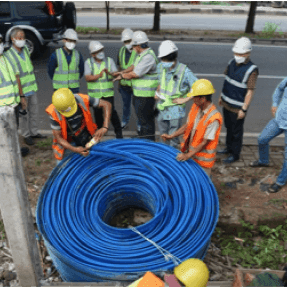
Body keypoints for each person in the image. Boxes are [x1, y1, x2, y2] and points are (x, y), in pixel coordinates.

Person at [161, 79, 222, 178]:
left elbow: (204, 142)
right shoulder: (196, 107)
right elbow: (188, 125)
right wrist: (171, 135)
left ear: (202, 99)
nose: (192, 99)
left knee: (201, 186)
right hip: (191, 155)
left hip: (203, 162)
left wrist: (187, 156)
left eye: (194, 97)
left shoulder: (214, 118)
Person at [218, 37, 259, 164]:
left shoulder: (252, 70)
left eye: (241, 54)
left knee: (236, 132)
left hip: (238, 108)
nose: (238, 56)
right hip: (226, 103)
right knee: (228, 127)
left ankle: (235, 154)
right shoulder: (231, 63)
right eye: (236, 53)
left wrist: (244, 109)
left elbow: (250, 91)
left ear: (248, 53)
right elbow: (227, 81)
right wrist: (221, 96)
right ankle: (228, 148)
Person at [45, 88, 112, 164]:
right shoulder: (54, 112)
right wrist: (74, 149)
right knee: (63, 169)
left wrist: (105, 127)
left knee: (94, 162)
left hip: (85, 135)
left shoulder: (82, 99)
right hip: (67, 143)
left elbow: (107, 104)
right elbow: (59, 138)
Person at [113, 31, 159, 141]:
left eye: (134, 45)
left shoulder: (148, 57)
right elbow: (134, 67)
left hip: (146, 95)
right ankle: (143, 138)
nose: (132, 47)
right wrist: (121, 72)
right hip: (140, 93)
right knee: (142, 119)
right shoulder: (141, 55)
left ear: (138, 45)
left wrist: (122, 76)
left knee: (146, 121)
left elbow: (135, 74)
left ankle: (148, 142)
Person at [5, 28, 46, 146]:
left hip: (32, 88)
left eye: (23, 37)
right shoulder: (10, 55)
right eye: (19, 37)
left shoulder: (26, 50)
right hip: (22, 92)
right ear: (13, 39)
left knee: (34, 112)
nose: (22, 40)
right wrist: (21, 95)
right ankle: (26, 135)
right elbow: (16, 77)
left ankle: (34, 132)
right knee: (24, 115)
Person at [155, 40, 198, 149]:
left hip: (175, 111)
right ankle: (163, 154)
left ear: (173, 58)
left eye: (165, 60)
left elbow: (198, 87)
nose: (163, 62)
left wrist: (185, 99)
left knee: (173, 137)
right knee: (163, 135)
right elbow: (161, 81)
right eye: (162, 59)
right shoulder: (160, 67)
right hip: (162, 108)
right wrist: (157, 91)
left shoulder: (184, 71)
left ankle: (171, 157)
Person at [250, 78, 287, 193]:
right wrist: (275, 104)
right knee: (262, 139)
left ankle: (280, 181)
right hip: (278, 120)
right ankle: (263, 160)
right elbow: (279, 89)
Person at [85, 41, 123, 139]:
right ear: (93, 54)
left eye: (101, 50)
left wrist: (109, 73)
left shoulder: (109, 61)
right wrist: (98, 75)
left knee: (112, 113)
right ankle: (100, 132)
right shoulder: (88, 63)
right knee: (97, 114)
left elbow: (116, 74)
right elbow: (87, 77)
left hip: (108, 93)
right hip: (95, 95)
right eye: (98, 51)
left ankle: (119, 134)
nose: (101, 53)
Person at [0, 33, 29, 157]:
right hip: (2, 107)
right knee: (3, 132)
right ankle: (7, 154)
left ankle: (14, 150)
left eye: (0, 42)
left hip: (13, 103)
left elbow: (17, 78)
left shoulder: (6, 58)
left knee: (14, 129)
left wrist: (22, 97)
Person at [47, 28, 84, 94]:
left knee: (74, 104)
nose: (72, 43)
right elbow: (50, 71)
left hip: (74, 89)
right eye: (70, 40)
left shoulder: (78, 55)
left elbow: (81, 71)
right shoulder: (55, 55)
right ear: (64, 40)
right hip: (59, 89)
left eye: (74, 41)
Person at [116, 28, 139, 131]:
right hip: (124, 85)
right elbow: (120, 67)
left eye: (129, 41)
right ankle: (125, 120)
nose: (127, 43)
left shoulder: (138, 51)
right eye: (125, 42)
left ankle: (139, 124)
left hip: (135, 84)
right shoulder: (121, 51)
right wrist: (119, 83)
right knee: (126, 105)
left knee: (138, 106)